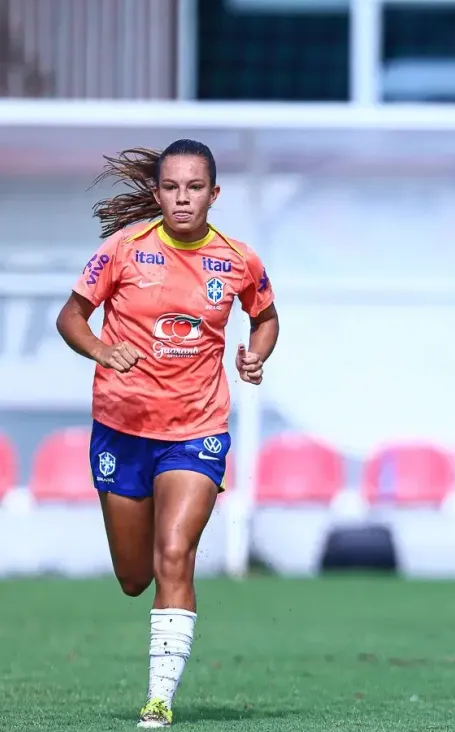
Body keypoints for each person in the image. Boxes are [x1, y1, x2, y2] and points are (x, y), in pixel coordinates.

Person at [56, 139, 278, 729]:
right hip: (122, 428)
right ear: (157, 194)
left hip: (197, 429)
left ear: (214, 193)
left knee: (174, 555)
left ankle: (158, 702)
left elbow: (265, 316)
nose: (183, 198)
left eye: (195, 187)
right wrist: (105, 349)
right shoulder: (124, 249)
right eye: (173, 187)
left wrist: (255, 356)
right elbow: (70, 317)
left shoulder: (238, 259)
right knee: (135, 577)